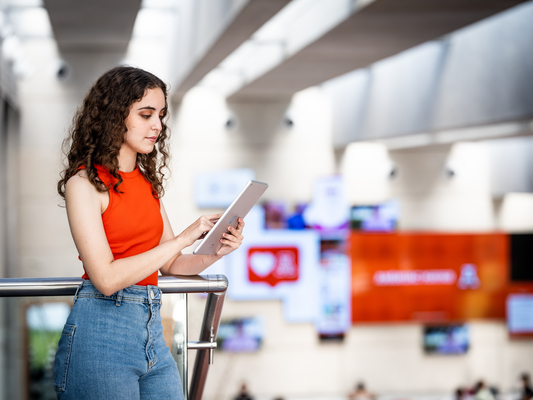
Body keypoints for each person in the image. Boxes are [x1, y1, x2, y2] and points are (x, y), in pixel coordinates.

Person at [53, 66, 245, 399]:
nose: (157, 125)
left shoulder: (145, 183)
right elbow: (106, 278)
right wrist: (184, 237)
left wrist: (215, 251)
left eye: (160, 115)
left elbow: (172, 265)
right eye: (146, 114)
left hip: (152, 330)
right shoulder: (83, 184)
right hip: (100, 333)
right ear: (115, 116)